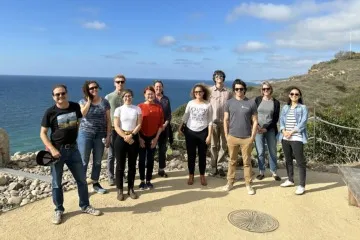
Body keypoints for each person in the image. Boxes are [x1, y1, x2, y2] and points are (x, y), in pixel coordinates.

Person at [40, 84, 101, 225]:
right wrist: (52, 149)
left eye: (62, 93)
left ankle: (85, 205)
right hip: (57, 152)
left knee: (82, 180)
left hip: (73, 150)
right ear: (53, 97)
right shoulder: (50, 112)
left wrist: (74, 139)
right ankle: (58, 210)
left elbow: (79, 121)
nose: (60, 96)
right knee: (56, 183)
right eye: (57, 94)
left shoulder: (74, 107)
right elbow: (42, 133)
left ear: (67, 93)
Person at [222, 79, 258, 195]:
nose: (239, 91)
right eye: (236, 89)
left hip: (246, 138)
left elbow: (255, 121)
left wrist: (252, 136)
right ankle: (230, 182)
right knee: (232, 161)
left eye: (241, 89)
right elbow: (226, 120)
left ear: (244, 90)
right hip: (232, 137)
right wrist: (227, 135)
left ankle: (248, 184)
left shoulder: (251, 103)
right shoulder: (229, 103)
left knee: (247, 162)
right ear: (234, 90)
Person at [78, 80, 111, 194]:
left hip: (100, 134)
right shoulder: (82, 101)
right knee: (84, 161)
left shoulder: (105, 102)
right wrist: (89, 101)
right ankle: (82, 186)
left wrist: (108, 136)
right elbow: (82, 114)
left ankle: (95, 184)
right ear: (87, 91)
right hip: (85, 134)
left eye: (95, 87)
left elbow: (108, 120)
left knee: (97, 161)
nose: (94, 90)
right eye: (91, 88)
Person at [179, 83, 213, 186]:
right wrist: (180, 127)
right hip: (190, 132)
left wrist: (209, 135)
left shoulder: (208, 104)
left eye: (200, 91)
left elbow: (210, 121)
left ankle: (202, 175)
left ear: (203, 93)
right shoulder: (190, 103)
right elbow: (185, 116)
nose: (198, 93)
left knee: (202, 155)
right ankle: (191, 175)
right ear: (194, 93)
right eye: (196, 92)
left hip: (203, 132)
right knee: (191, 155)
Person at [279, 87, 308, 195]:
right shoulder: (286, 107)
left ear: (299, 96)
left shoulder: (303, 108)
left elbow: (303, 122)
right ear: (289, 95)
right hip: (285, 137)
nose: (294, 96)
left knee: (300, 162)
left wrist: (291, 132)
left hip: (297, 137)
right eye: (292, 94)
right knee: (288, 159)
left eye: (296, 94)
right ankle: (290, 180)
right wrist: (283, 130)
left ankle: (302, 185)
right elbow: (281, 120)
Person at [114, 89, 142, 200]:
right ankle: (119, 190)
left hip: (133, 137)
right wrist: (125, 136)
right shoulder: (118, 110)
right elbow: (116, 126)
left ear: (132, 97)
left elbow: (139, 124)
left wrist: (131, 135)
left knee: (132, 165)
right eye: (125, 96)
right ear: (122, 98)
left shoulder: (137, 109)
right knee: (120, 166)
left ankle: (131, 188)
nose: (127, 98)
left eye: (129, 96)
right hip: (121, 138)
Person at [138, 86, 164, 190]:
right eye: (148, 94)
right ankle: (141, 181)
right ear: (144, 95)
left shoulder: (159, 108)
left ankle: (148, 180)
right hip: (141, 137)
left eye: (152, 94)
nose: (150, 95)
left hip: (153, 137)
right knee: (141, 159)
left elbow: (160, 125)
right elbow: (136, 124)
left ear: (154, 95)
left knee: (150, 160)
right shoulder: (139, 106)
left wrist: (156, 138)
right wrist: (139, 138)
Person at [254, 81, 281, 181]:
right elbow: (253, 114)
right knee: (260, 151)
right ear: (262, 90)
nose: (266, 90)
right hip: (258, 129)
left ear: (271, 89)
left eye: (268, 89)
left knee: (272, 151)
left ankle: (274, 172)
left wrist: (266, 128)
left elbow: (275, 119)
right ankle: (261, 171)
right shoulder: (257, 100)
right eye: (264, 89)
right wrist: (256, 126)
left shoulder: (276, 102)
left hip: (270, 129)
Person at [209, 70, 232, 177]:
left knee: (223, 145)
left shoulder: (228, 92)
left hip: (225, 123)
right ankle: (213, 167)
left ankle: (220, 166)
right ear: (214, 78)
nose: (219, 77)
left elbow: (232, 106)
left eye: (221, 76)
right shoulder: (209, 91)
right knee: (213, 145)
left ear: (223, 78)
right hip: (213, 122)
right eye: (217, 76)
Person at [105, 74, 126, 186]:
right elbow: (105, 115)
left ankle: (122, 174)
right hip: (113, 129)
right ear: (114, 83)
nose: (120, 84)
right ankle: (110, 176)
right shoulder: (108, 97)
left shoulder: (127, 96)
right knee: (111, 155)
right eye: (118, 82)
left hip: (124, 130)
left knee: (122, 154)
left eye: (122, 81)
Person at [154, 80, 172, 178]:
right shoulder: (151, 98)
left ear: (162, 88)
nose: (158, 88)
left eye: (160, 86)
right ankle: (149, 171)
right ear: (154, 87)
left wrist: (165, 124)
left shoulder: (166, 99)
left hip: (164, 129)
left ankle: (161, 170)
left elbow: (169, 114)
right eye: (157, 86)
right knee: (151, 149)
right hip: (153, 129)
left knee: (162, 150)